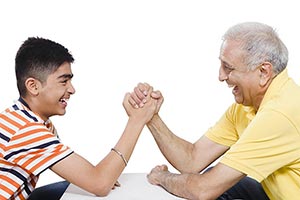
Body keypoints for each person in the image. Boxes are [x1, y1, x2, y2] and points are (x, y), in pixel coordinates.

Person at [129, 22, 300, 200]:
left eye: (228, 68)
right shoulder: (245, 108)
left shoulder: (279, 114)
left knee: (207, 185)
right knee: (213, 177)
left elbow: (203, 190)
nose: (221, 76)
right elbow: (192, 159)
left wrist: (163, 178)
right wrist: (151, 116)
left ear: (264, 72)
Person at [0, 37, 158, 200]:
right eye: (64, 81)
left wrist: (99, 178)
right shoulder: (26, 130)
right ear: (33, 86)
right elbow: (100, 184)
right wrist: (136, 121)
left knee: (77, 187)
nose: (72, 89)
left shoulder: (28, 119)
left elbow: (89, 176)